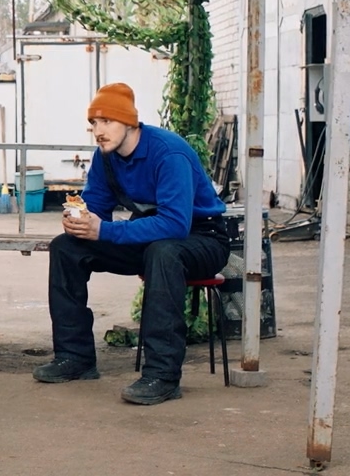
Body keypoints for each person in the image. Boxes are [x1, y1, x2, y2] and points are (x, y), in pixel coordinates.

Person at [32, 83, 230, 405]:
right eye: (94, 123)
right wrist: (80, 220)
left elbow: (175, 224)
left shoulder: (169, 153)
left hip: (202, 237)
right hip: (150, 236)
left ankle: (162, 375)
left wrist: (105, 231)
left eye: (107, 121)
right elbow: (97, 206)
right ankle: (74, 357)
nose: (98, 131)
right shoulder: (106, 157)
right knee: (66, 247)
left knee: (163, 252)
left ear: (129, 122)